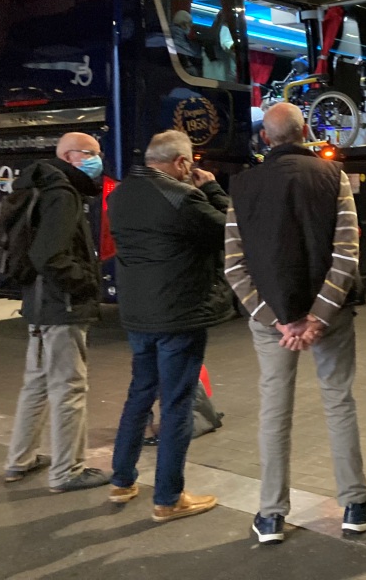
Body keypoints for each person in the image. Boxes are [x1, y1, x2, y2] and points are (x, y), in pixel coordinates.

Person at [225, 102, 366, 544]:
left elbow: (234, 265)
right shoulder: (333, 177)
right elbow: (347, 252)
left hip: (270, 325)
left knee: (274, 410)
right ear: (305, 132)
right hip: (330, 318)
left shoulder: (242, 186)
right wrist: (317, 317)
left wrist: (276, 321)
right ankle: (355, 504)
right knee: (338, 402)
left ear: (266, 138)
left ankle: (270, 515)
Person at [106, 130, 232, 522]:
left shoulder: (120, 194)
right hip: (178, 314)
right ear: (180, 162)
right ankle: (168, 498)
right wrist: (211, 189)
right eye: (190, 162)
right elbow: (232, 229)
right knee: (177, 403)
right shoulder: (182, 196)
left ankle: (122, 480)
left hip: (137, 314)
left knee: (139, 394)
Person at [3, 132, 109, 493]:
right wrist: (85, 283)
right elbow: (48, 255)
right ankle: (68, 471)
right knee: (69, 387)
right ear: (69, 156)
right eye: (91, 153)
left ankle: (19, 460)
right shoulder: (62, 194)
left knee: (36, 383)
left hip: (38, 303)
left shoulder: (36, 186)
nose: (97, 160)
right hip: (62, 305)